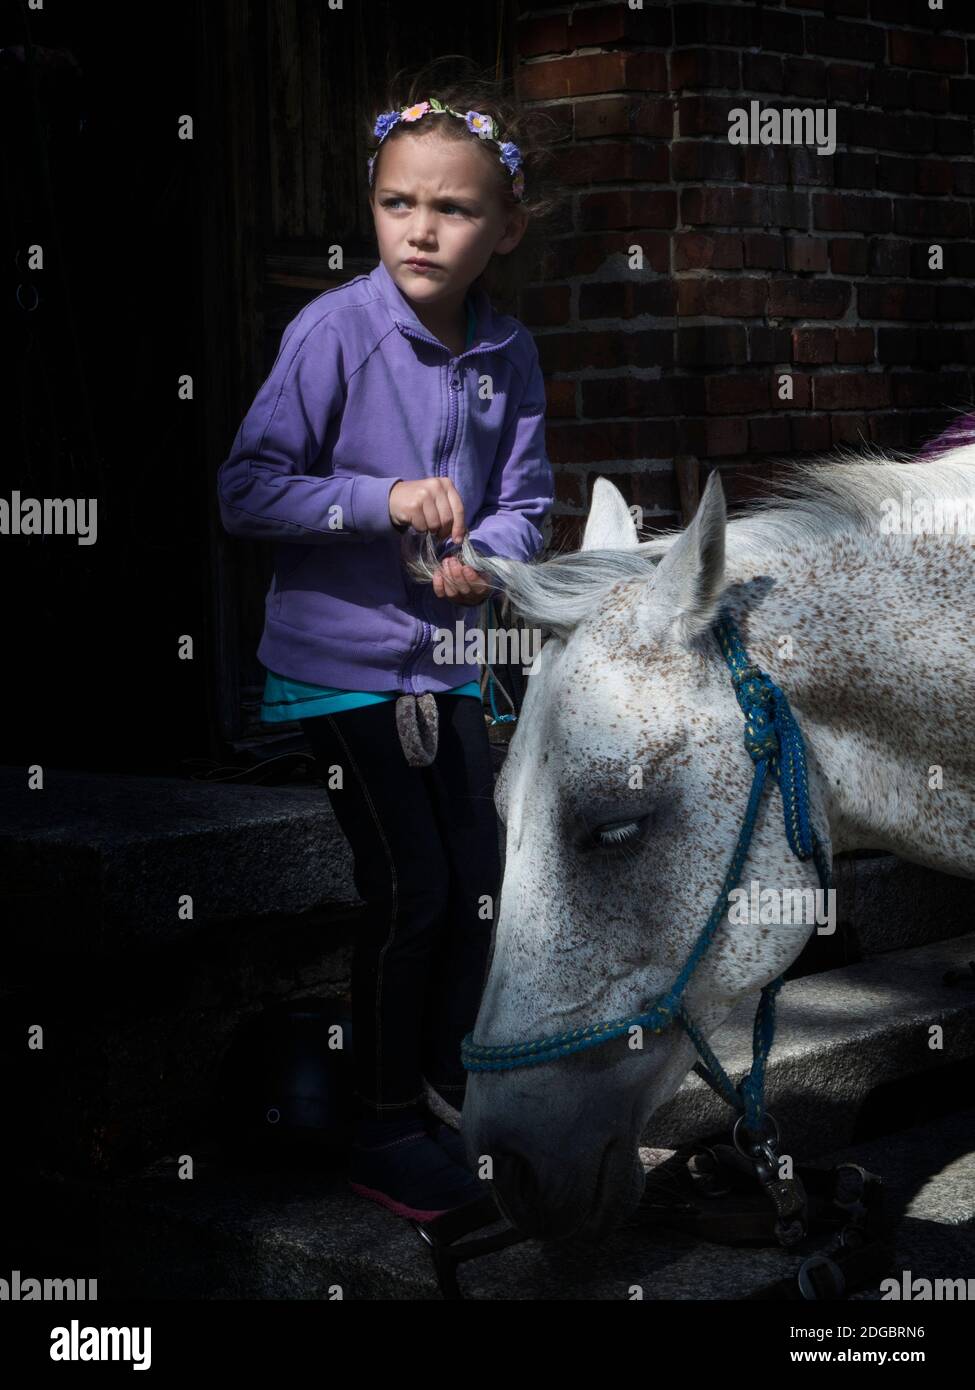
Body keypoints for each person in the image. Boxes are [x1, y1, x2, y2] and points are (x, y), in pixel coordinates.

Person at [217, 68, 555, 1223]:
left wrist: (491, 555)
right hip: (336, 674)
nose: (422, 227)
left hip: (450, 665)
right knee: (410, 885)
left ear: (503, 229)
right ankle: (382, 1124)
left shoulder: (509, 357)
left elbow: (525, 501)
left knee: (482, 882)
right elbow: (247, 491)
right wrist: (380, 501)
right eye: (399, 202)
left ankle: (455, 1088)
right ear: (372, 206)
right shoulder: (334, 332)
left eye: (454, 209)